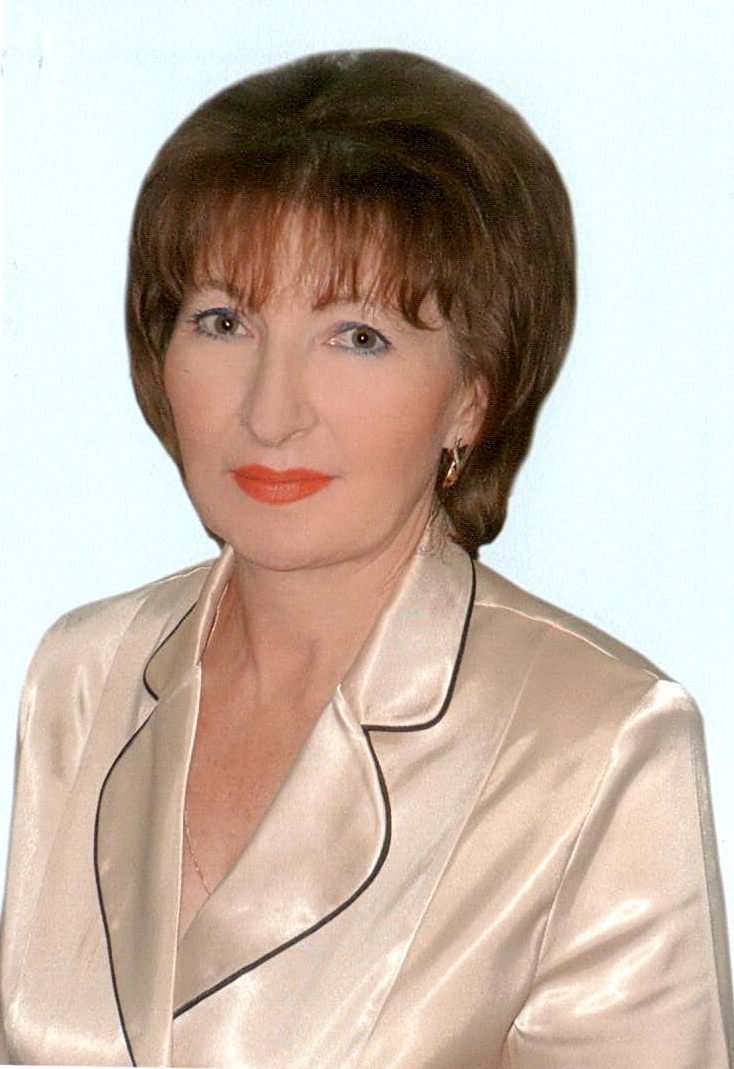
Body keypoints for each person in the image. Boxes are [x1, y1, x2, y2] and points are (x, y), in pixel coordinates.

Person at [0, 48, 731, 1067]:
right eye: (223, 321)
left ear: (472, 397)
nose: (270, 412)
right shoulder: (82, 676)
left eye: (356, 337)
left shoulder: (598, 744)